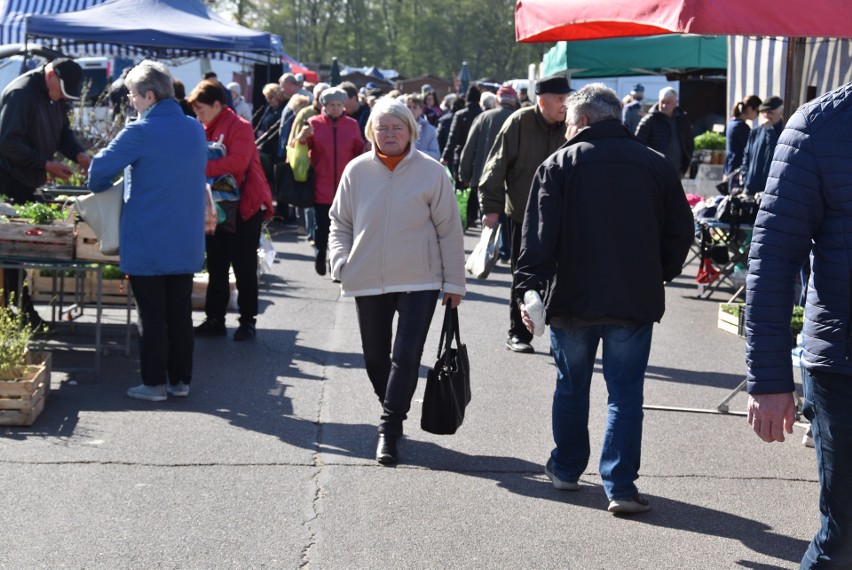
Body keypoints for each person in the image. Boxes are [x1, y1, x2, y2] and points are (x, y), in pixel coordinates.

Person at [515, 83, 694, 514]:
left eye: (569, 124)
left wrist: (527, 291)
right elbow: (680, 233)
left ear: (585, 120)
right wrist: (657, 273)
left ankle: (566, 468)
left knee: (572, 386)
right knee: (625, 393)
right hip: (634, 297)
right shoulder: (656, 164)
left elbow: (536, 241)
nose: (565, 133)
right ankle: (620, 485)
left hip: (572, 298)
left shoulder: (559, 164)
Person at [744, 82, 852, 569]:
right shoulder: (817, 127)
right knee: (845, 538)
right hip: (844, 367)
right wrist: (769, 379)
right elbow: (772, 262)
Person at [328, 97, 466, 465]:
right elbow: (339, 222)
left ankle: (389, 428)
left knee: (406, 358)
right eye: (382, 128)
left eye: (397, 127)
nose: (389, 134)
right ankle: (393, 405)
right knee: (376, 359)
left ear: (411, 131)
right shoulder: (356, 171)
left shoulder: (432, 172)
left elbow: (450, 230)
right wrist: (340, 262)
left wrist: (455, 282)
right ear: (371, 131)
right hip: (366, 279)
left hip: (419, 280)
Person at [87, 61, 208, 402]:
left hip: (148, 238)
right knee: (179, 314)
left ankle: (153, 384)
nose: (131, 102)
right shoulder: (194, 128)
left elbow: (97, 174)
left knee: (152, 315)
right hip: (184, 239)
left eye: (133, 96)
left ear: (150, 96)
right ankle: (180, 381)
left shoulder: (138, 132)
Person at [478, 75, 570, 354]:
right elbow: (496, 166)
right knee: (524, 276)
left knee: (562, 276)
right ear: (542, 101)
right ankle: (518, 333)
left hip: (562, 216)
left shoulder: (572, 125)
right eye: (560, 99)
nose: (565, 105)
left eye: (568, 99)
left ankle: (560, 337)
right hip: (522, 214)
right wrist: (491, 208)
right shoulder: (519, 122)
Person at [0, 57, 91, 323]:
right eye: (60, 91)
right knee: (12, 248)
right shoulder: (21, 93)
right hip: (9, 180)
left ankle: (20, 307)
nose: (62, 97)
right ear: (51, 74)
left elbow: (64, 133)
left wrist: (79, 155)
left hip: (29, 180)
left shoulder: (54, 95)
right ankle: (19, 308)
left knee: (20, 249)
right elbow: (6, 142)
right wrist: (45, 163)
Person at [188, 79, 274, 341]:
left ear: (217, 104)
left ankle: (247, 321)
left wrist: (198, 169)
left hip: (245, 206)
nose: (198, 115)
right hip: (217, 206)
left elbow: (238, 163)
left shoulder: (240, 126)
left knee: (244, 264)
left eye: (201, 109)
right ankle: (215, 318)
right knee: (216, 263)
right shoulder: (202, 127)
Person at [293, 87, 365, 276]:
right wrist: (300, 139)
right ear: (324, 105)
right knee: (322, 225)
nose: (336, 108)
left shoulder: (352, 125)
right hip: (320, 183)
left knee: (343, 228)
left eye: (339, 105)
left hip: (345, 185)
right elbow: (297, 151)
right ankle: (320, 252)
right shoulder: (313, 123)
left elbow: (359, 150)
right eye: (332, 105)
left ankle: (338, 262)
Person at [635, 87, 694, 176]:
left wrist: (685, 166)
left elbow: (689, 144)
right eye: (662, 102)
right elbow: (638, 145)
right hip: (654, 171)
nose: (664, 106)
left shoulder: (683, 120)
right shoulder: (649, 120)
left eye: (668, 103)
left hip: (676, 171)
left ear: (675, 103)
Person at [739, 95, 784, 195]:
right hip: (750, 188)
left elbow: (778, 155)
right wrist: (746, 178)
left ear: (780, 112)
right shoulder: (755, 131)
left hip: (769, 191)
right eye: (764, 112)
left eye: (770, 112)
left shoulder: (784, 132)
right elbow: (746, 156)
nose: (767, 116)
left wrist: (770, 131)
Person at [723, 95, 762, 180]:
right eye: (758, 111)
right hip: (737, 168)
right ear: (750, 108)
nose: (758, 115)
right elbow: (751, 148)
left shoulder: (732, 123)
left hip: (730, 166)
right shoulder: (741, 126)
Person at [404, 93, 440, 160]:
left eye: (415, 107)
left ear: (421, 110)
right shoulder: (397, 127)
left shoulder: (430, 129)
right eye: (408, 106)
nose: (410, 110)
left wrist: (416, 153)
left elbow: (436, 155)